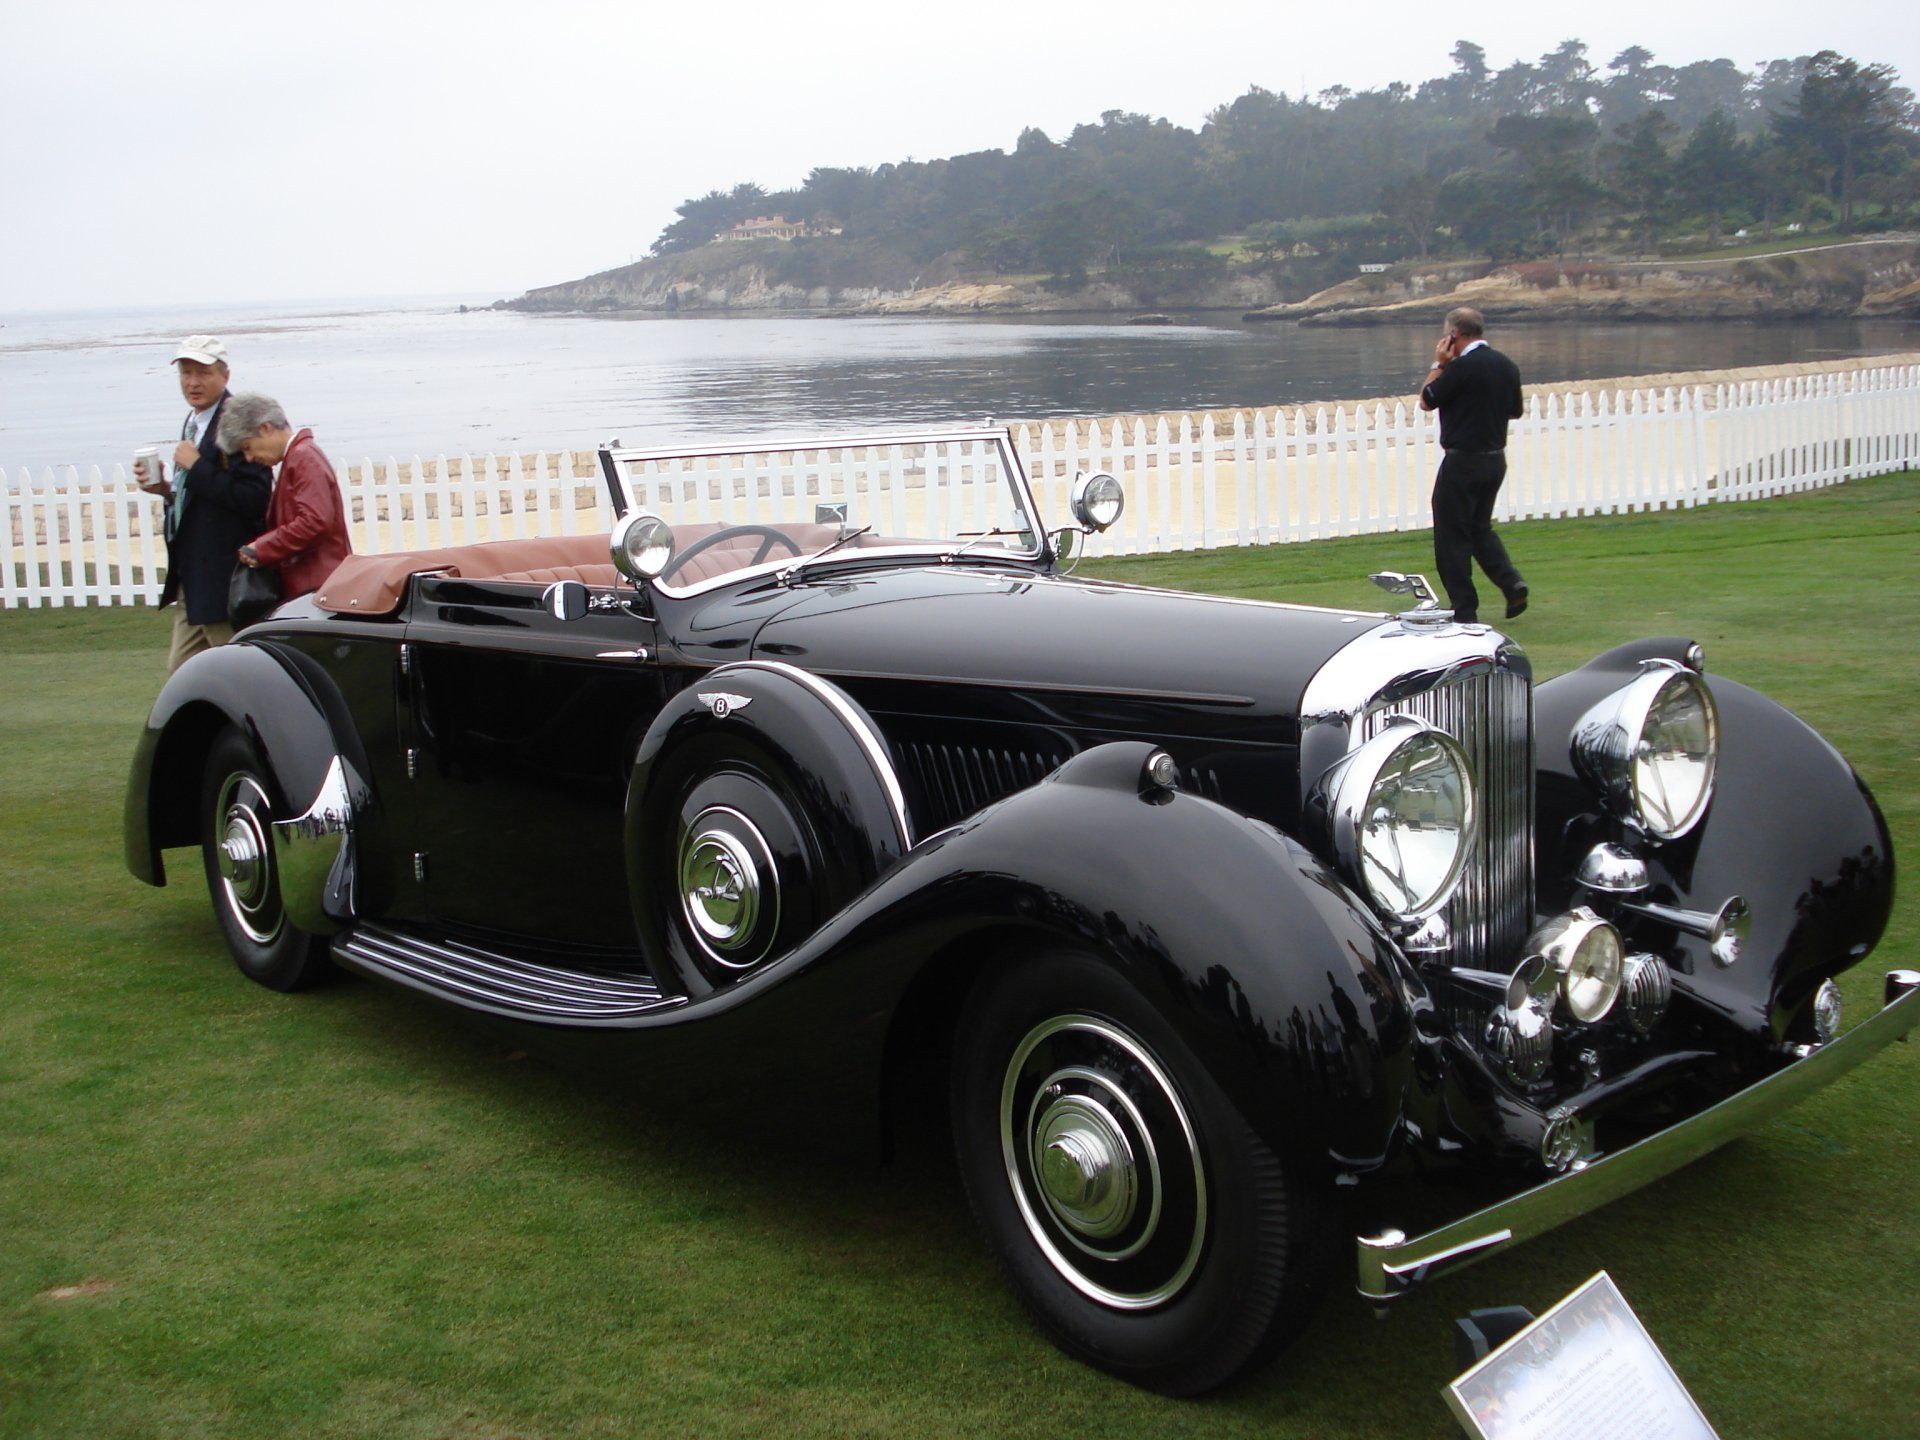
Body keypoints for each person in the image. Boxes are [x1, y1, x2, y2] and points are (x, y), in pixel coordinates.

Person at [134, 336, 273, 670]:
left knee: (238, 672)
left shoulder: (239, 422)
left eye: (203, 373)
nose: (193, 382)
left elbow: (255, 499)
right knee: (183, 669)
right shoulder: (195, 420)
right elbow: (200, 499)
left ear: (225, 376)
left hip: (226, 579)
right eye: (186, 372)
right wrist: (166, 489)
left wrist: (196, 467)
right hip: (194, 575)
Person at [1417, 307, 1528, 624]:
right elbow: (1515, 411)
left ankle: (1464, 608)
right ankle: (1512, 584)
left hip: (1462, 460)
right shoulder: (1506, 365)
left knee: (1451, 536)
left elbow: (1426, 400)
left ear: (1454, 335)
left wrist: (1439, 364)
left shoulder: (1460, 368)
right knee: (1479, 528)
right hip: (1494, 460)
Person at [217, 394, 353, 601]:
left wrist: (263, 548)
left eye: (247, 447)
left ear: (265, 428)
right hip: (318, 585)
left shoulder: (303, 457)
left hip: (317, 588)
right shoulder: (299, 456)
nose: (249, 457)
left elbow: (315, 520)